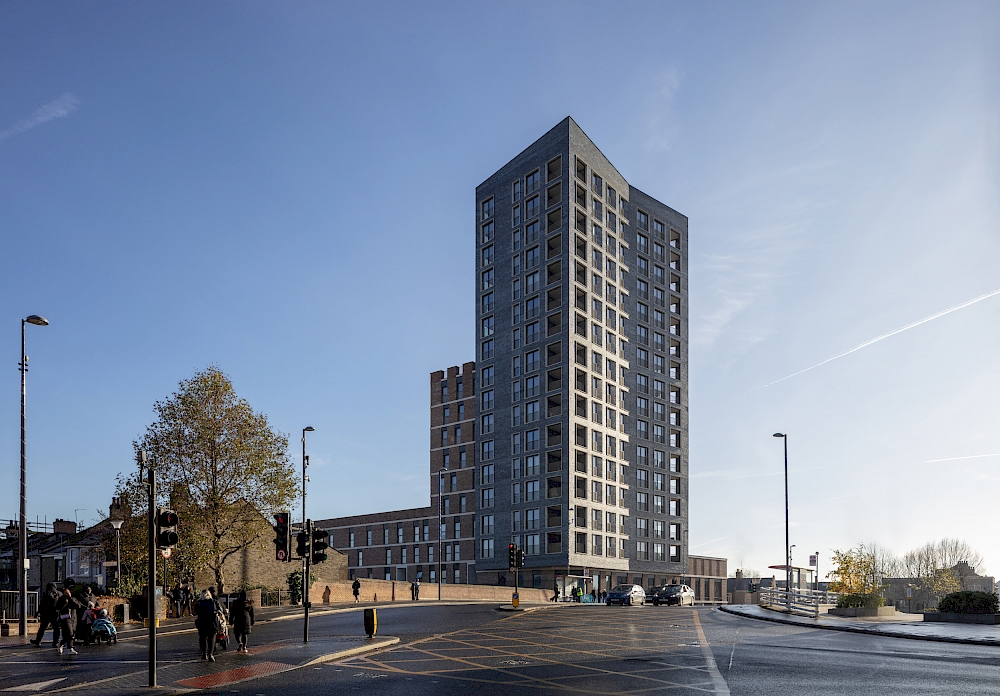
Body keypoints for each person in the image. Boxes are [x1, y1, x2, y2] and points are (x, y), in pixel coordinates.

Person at [54, 588, 84, 655]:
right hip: (65, 618)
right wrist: (65, 603)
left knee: (71, 634)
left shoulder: (73, 598)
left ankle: (61, 644)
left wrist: (70, 598)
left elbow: (78, 606)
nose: (67, 594)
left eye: (68, 592)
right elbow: (58, 607)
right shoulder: (61, 599)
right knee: (70, 633)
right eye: (66, 593)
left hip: (73, 618)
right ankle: (70, 648)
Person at [32, 582, 61, 648]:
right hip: (55, 613)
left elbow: (42, 604)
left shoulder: (46, 593)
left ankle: (38, 641)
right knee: (56, 628)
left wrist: (38, 612)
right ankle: (55, 642)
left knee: (42, 628)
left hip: (46, 613)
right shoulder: (59, 593)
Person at [194, 590, 220, 661]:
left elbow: (195, 611)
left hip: (202, 622)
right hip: (212, 621)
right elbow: (218, 609)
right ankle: (210, 654)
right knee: (212, 638)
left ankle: (204, 654)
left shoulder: (198, 602)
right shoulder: (213, 601)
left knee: (203, 638)